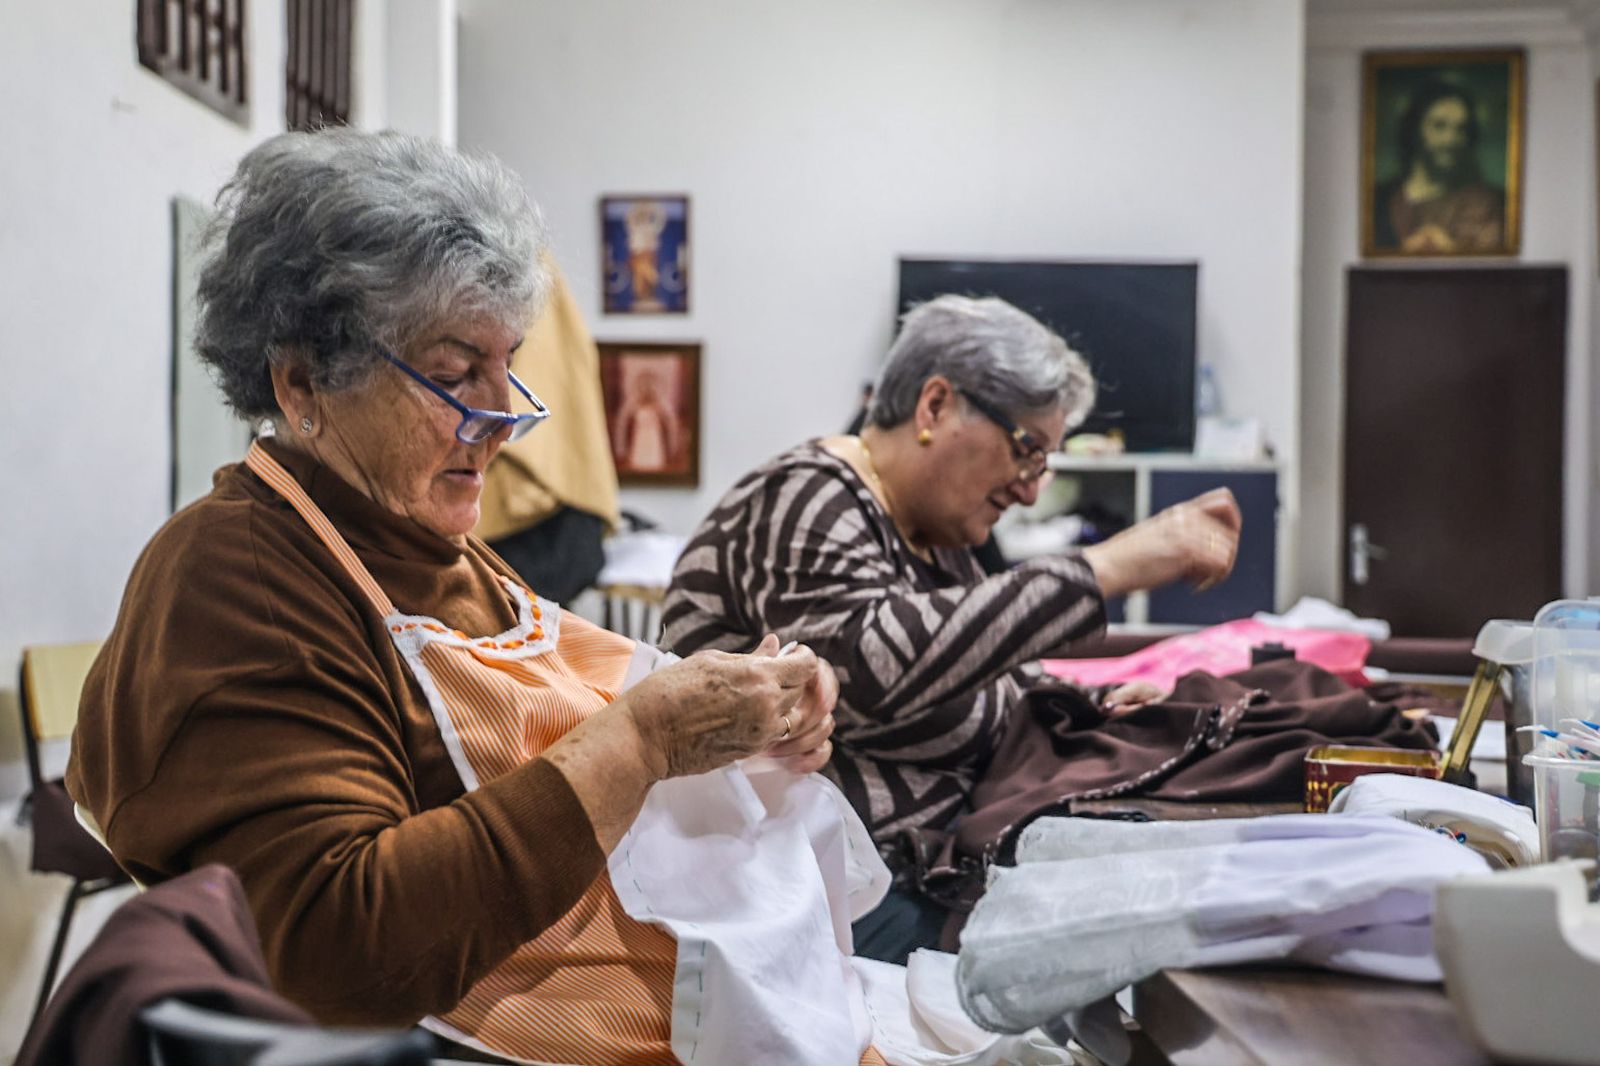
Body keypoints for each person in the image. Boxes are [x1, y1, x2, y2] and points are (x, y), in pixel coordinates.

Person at [65, 129, 847, 1065]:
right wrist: (644, 741)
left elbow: (562, 713)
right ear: (304, 380)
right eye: (450, 376)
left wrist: (740, 720)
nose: (503, 421)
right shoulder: (242, 578)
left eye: (506, 364)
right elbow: (342, 954)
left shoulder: (430, 542)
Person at [661, 295, 1241, 963]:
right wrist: (1105, 567)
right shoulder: (806, 497)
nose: (1029, 490)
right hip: (822, 901)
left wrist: (1081, 702)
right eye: (1026, 451)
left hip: (909, 877)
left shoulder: (937, 535)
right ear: (934, 406)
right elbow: (866, 670)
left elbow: (975, 667)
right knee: (1123, 949)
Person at [1372, 79, 1506, 254]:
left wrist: (1450, 250)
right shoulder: (1381, 198)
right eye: (1439, 126)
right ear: (1414, 130)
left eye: (1460, 129)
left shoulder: (1485, 203)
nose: (1450, 139)